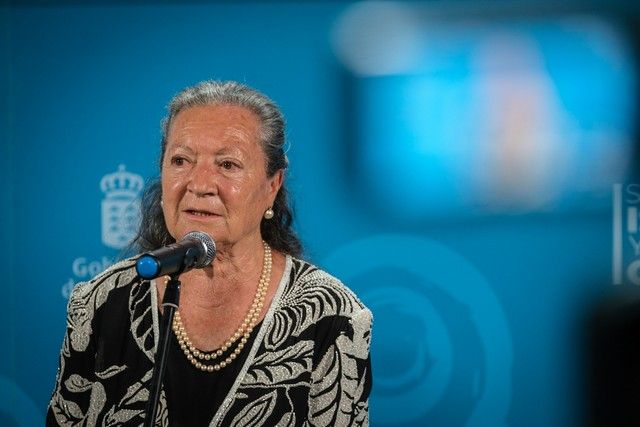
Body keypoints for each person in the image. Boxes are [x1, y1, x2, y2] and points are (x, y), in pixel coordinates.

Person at [47, 81, 372, 426]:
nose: (199, 184)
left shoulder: (334, 316)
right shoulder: (98, 303)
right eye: (181, 160)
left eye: (228, 165)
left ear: (272, 186)